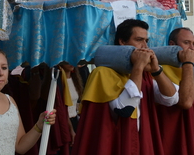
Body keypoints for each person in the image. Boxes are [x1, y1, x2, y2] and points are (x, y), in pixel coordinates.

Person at [72, 19, 178, 155]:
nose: (145, 46)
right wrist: (139, 67)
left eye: (146, 41)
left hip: (141, 142)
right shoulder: (102, 72)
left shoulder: (146, 74)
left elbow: (171, 98)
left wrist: (156, 70)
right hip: (114, 144)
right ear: (122, 42)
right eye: (139, 40)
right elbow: (124, 109)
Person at [159, 27, 194, 155]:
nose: (191, 48)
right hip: (173, 132)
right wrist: (188, 63)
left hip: (192, 127)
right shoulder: (162, 68)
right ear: (172, 45)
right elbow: (185, 102)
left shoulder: (188, 66)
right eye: (186, 43)